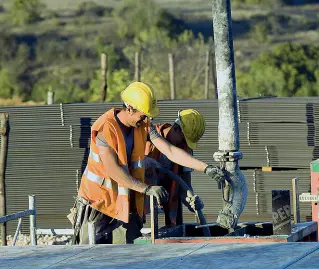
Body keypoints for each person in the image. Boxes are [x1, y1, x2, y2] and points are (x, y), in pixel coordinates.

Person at [67, 82, 226, 245]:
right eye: (143, 115)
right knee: (87, 255)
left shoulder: (144, 125)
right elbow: (114, 171)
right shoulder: (105, 129)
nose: (146, 120)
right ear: (129, 108)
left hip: (125, 205)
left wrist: (206, 168)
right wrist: (147, 188)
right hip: (98, 205)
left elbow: (170, 151)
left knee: (128, 255)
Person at [144, 109, 207, 227]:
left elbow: (185, 187)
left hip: (169, 209)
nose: (185, 145)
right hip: (140, 202)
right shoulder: (147, 137)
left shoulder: (185, 150)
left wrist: (192, 202)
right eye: (184, 140)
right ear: (176, 129)